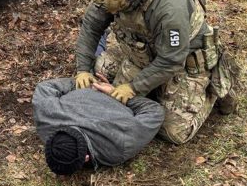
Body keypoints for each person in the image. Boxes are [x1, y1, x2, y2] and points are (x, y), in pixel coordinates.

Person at [74, 0, 239, 144]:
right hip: (143, 55)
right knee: (110, 93)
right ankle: (153, 90)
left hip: (183, 62)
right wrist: (83, 69)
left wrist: (134, 87)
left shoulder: (170, 4)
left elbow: (172, 59)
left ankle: (213, 91)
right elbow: (90, 28)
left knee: (173, 132)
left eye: (116, 9)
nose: (111, 14)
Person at [32, 75, 165, 175]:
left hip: (105, 77)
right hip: (118, 84)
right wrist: (114, 93)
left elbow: (155, 112)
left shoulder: (118, 146)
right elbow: (44, 87)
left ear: (86, 158)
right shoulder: (46, 119)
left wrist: (86, 83)